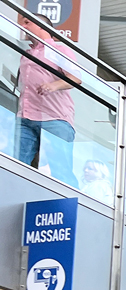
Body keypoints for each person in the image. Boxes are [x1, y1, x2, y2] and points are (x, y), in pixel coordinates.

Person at [17, 15, 81, 187]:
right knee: (15, 165)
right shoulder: (27, 55)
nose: (22, 25)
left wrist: (54, 85)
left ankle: (72, 207)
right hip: (25, 117)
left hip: (54, 118)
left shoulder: (59, 50)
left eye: (27, 22)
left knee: (61, 169)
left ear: (41, 26)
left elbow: (75, 78)